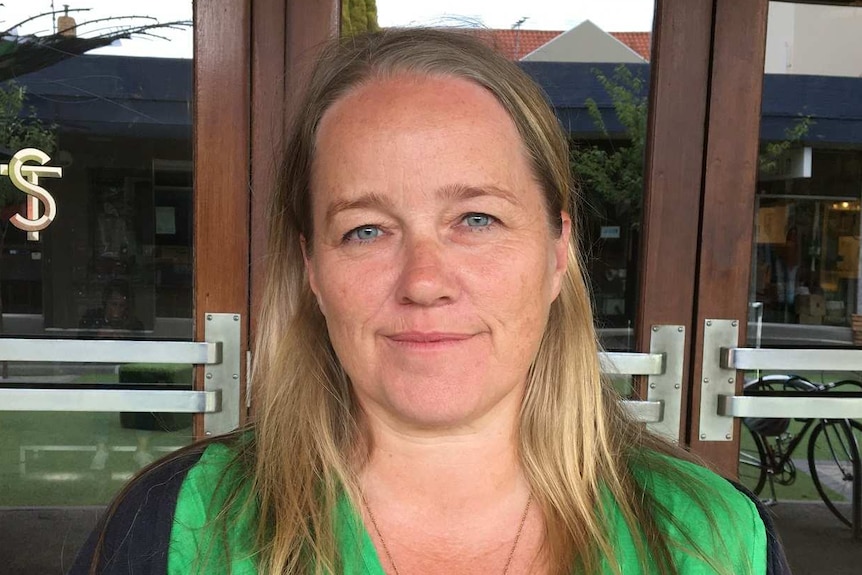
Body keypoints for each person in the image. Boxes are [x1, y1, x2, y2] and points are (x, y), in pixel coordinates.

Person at [70, 28, 789, 574]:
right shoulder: (178, 527)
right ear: (313, 269)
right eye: (366, 229)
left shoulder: (714, 538)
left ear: (556, 249)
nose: (423, 279)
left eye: (476, 219)